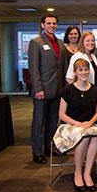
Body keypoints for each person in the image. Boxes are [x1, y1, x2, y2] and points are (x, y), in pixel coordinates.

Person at [54, 59, 97, 192]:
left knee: (94, 135)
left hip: (89, 124)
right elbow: (62, 115)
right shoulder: (67, 90)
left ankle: (87, 173)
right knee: (84, 137)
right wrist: (79, 124)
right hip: (70, 125)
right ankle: (78, 173)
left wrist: (90, 123)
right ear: (75, 72)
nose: (84, 72)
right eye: (80, 70)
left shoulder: (95, 90)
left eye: (86, 69)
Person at [28, 13, 66, 163]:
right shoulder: (36, 42)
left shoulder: (61, 43)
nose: (52, 26)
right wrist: (38, 88)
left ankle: (49, 148)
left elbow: (62, 67)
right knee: (39, 122)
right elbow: (33, 68)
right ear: (43, 25)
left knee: (52, 121)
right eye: (49, 23)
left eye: (54, 23)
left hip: (57, 90)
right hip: (42, 90)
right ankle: (37, 152)